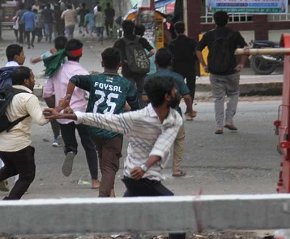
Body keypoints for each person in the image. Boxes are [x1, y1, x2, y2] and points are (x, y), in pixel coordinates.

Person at [44, 76, 185, 239]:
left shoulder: (175, 119)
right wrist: (69, 115)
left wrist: (145, 166)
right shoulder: (137, 118)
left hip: (142, 174)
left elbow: (162, 146)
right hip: (139, 177)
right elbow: (103, 120)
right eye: (174, 91)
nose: (177, 93)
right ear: (167, 97)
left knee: (130, 217)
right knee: (176, 212)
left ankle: (107, 226)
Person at [55, 48, 141, 197]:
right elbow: (136, 109)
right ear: (119, 64)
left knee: (103, 159)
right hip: (113, 131)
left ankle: (111, 195)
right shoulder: (126, 84)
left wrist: (67, 100)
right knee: (109, 167)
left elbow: (74, 79)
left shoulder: (94, 80)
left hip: (93, 129)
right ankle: (102, 201)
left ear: (102, 63)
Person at [0, 66, 48, 201]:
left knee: (12, 168)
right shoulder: (28, 97)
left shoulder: (5, 92)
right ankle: (10, 204)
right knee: (27, 175)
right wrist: (56, 114)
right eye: (32, 77)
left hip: (0, 145)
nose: (34, 80)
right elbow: (42, 120)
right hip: (18, 145)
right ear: (26, 81)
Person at [43, 39, 99, 189]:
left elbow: (47, 93)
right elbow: (91, 94)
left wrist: (56, 108)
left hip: (62, 116)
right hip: (80, 113)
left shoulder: (57, 70)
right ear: (80, 53)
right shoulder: (82, 72)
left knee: (70, 144)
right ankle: (95, 181)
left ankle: (71, 151)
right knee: (89, 146)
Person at [195, 11, 249, 134]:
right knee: (233, 94)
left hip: (215, 72)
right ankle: (229, 120)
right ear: (227, 20)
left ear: (214, 21)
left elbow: (198, 50)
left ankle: (219, 126)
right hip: (231, 71)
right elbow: (246, 49)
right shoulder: (234, 34)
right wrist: (241, 64)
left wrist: (204, 65)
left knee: (218, 98)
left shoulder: (209, 35)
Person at [143, 48, 194, 177]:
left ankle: (150, 168)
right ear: (170, 62)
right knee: (179, 140)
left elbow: (144, 98)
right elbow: (187, 96)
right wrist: (190, 109)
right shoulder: (177, 77)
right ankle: (176, 169)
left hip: (154, 116)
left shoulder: (149, 78)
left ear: (155, 62)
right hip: (174, 114)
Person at [0, 44, 26, 191]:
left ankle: (1, 175)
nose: (24, 56)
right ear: (16, 56)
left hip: (0, 113)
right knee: (19, 146)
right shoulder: (23, 72)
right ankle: (18, 180)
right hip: (17, 113)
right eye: (22, 54)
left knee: (0, 145)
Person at [31, 36, 68, 147]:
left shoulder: (51, 53)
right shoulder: (67, 55)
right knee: (65, 113)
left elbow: (34, 60)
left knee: (53, 114)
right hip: (64, 89)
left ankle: (56, 137)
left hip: (51, 90)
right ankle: (65, 136)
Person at [114, 21, 156, 97]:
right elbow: (153, 51)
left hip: (127, 70)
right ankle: (141, 105)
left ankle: (132, 106)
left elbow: (114, 56)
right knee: (141, 90)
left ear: (123, 29)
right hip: (141, 69)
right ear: (133, 28)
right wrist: (145, 57)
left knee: (129, 90)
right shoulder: (141, 40)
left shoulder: (119, 42)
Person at [167, 22, 198, 119]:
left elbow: (169, 58)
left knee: (177, 90)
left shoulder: (172, 43)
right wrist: (193, 60)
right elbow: (197, 54)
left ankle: (175, 109)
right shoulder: (192, 41)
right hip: (190, 68)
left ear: (175, 31)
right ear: (184, 29)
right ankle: (189, 111)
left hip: (177, 70)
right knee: (190, 89)